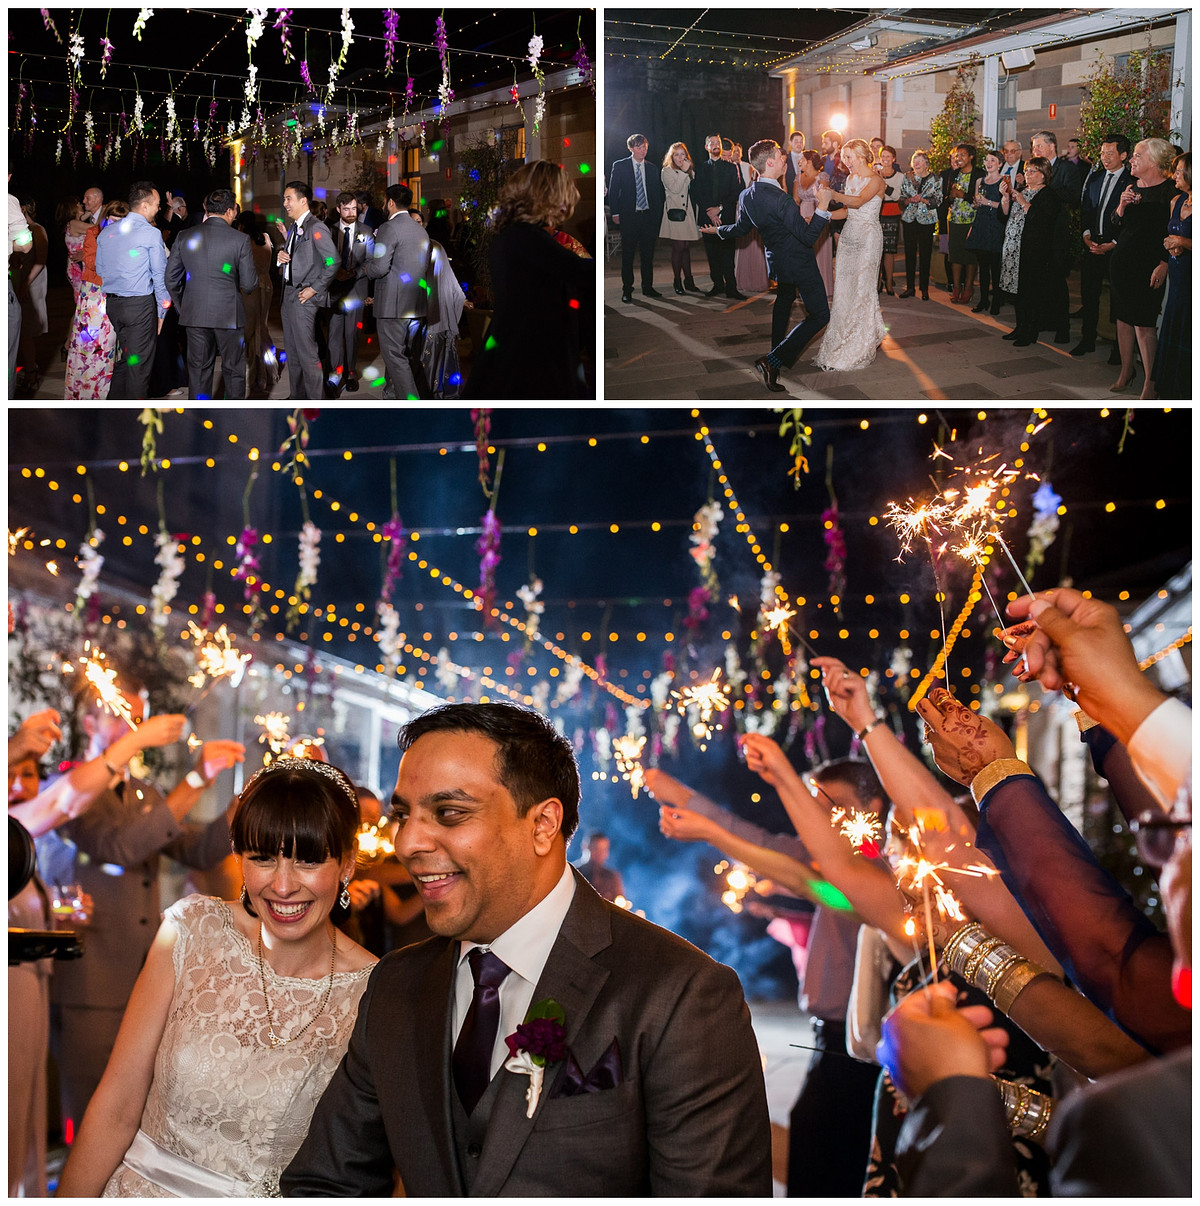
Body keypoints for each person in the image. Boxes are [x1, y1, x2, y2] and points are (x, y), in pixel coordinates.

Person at [281, 702, 772, 1196]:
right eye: (403, 815)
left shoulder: (681, 995)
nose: (407, 842)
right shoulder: (396, 984)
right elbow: (327, 1183)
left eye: (449, 813)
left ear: (542, 825)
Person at [55, 758, 377, 1197]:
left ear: (346, 864)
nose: (282, 887)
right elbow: (116, 1106)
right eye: (262, 858)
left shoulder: (372, 992)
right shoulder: (192, 930)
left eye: (306, 861)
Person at [652, 754, 889, 1197]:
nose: (819, 818)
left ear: (871, 807)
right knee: (812, 1153)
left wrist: (713, 829)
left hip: (865, 1052)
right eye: (813, 805)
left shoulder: (880, 868)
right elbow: (756, 839)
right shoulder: (823, 855)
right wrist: (679, 794)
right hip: (830, 1041)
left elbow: (808, 884)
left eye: (831, 805)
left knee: (834, 1168)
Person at [46, 674, 246, 1137]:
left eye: (135, 717)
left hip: (144, 975)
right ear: (89, 720)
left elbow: (196, 850)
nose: (130, 727)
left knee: (137, 1110)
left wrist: (242, 802)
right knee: (89, 1108)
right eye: (119, 715)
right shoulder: (71, 787)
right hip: (90, 978)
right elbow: (120, 847)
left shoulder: (146, 793)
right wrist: (194, 779)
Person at [700, 139, 833, 393]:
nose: (785, 159)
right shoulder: (780, 199)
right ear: (770, 163)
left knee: (784, 299)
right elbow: (807, 237)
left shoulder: (747, 194)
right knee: (820, 315)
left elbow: (741, 229)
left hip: (777, 262)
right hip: (799, 262)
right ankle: (772, 360)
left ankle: (776, 356)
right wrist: (823, 208)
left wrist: (718, 230)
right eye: (780, 157)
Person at [463, 162, 594, 399]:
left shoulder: (513, 234)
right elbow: (582, 273)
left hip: (518, 347)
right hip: (529, 355)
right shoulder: (527, 237)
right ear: (547, 196)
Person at [164, 188, 257, 399]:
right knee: (234, 370)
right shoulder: (240, 239)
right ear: (231, 211)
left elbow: (170, 278)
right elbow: (250, 284)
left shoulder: (184, 235)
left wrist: (183, 304)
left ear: (208, 209)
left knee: (198, 371)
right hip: (229, 315)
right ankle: (233, 417)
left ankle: (201, 417)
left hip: (194, 313)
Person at [1108, 137, 1174, 397]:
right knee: (1123, 319)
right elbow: (1115, 223)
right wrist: (1122, 206)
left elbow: (1172, 232)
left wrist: (1164, 263)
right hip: (1122, 262)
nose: (1132, 159)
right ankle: (1126, 371)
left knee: (1144, 324)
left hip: (1149, 266)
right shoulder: (1130, 185)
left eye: (1137, 155)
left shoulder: (1171, 191)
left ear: (1154, 162)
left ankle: (1151, 381)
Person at [814, 138, 887, 372]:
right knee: (844, 289)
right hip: (848, 238)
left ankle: (860, 342)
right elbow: (846, 212)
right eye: (844, 158)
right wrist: (821, 215)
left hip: (868, 238)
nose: (846, 162)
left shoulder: (876, 180)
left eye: (850, 157)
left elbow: (859, 201)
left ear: (863, 156)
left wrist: (832, 194)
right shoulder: (850, 178)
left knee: (863, 288)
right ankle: (843, 337)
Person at [94, 180, 170, 399]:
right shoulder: (151, 233)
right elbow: (159, 276)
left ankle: (112, 411)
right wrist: (162, 312)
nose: (159, 208)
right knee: (139, 368)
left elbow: (100, 269)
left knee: (129, 360)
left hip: (114, 306)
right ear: (144, 206)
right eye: (156, 204)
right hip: (139, 307)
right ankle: (133, 422)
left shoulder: (107, 233)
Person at [364, 182, 432, 401]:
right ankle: (392, 396)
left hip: (392, 305)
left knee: (395, 357)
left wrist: (366, 267)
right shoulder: (420, 230)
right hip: (416, 304)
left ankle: (411, 405)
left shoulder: (388, 228)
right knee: (408, 357)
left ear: (390, 202)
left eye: (385, 202)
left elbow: (379, 266)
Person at [276, 179, 337, 400]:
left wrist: (314, 289)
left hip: (304, 297)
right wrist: (282, 257)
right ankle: (297, 396)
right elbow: (299, 259)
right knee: (292, 353)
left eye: (288, 198)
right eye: (284, 199)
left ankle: (316, 404)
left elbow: (333, 262)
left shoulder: (316, 227)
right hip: (289, 295)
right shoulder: (294, 227)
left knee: (308, 354)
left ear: (303, 201)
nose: (285, 204)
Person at [1074, 133, 1133, 357]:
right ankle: (1087, 339)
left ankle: (1120, 349)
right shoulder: (1095, 177)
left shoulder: (1131, 181)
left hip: (1117, 249)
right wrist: (1087, 235)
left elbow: (1130, 220)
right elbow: (1087, 210)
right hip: (1093, 245)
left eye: (1110, 153)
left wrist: (1114, 243)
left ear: (1124, 155)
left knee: (1119, 299)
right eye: (1102, 153)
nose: (1105, 158)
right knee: (1089, 295)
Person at [1006, 156, 1069, 347]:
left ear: (1043, 175)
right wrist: (1005, 199)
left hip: (1036, 251)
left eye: (1032, 171)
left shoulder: (1049, 195)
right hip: (1016, 249)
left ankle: (1030, 331)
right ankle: (1020, 327)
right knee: (1019, 292)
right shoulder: (1024, 191)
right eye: (1026, 171)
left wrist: (1024, 202)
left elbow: (1042, 222)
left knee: (1031, 293)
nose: (1027, 174)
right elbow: (1007, 218)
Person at [71, 199, 125, 400]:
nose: (116, 225)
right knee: (90, 344)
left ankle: (108, 392)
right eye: (112, 220)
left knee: (110, 344)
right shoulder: (94, 233)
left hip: (113, 293)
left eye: (120, 221)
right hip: (94, 294)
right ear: (105, 219)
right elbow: (92, 263)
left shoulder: (124, 237)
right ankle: (87, 392)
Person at [1150, 152, 1190, 400]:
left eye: (1179, 170)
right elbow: (1171, 234)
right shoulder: (1176, 201)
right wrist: (1171, 245)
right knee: (1173, 323)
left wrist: (1183, 242)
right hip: (1177, 273)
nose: (1174, 175)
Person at [326, 191, 374, 395]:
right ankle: (335, 375)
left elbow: (371, 261)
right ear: (338, 209)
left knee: (352, 334)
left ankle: (351, 373)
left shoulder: (367, 231)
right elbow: (323, 258)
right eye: (346, 209)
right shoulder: (329, 230)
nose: (351, 212)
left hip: (356, 288)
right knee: (334, 335)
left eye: (354, 208)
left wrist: (353, 272)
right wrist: (335, 272)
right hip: (335, 289)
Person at [607, 134, 665, 302]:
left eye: (645, 147)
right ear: (631, 148)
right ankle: (627, 289)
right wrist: (615, 213)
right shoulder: (620, 166)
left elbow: (656, 195)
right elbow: (613, 190)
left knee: (648, 255)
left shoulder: (652, 168)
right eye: (639, 147)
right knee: (628, 255)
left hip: (648, 217)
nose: (643, 150)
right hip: (629, 217)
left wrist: (657, 217)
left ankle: (648, 287)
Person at [693, 133, 743, 299]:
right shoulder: (700, 168)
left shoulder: (730, 167)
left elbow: (735, 191)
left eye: (718, 142)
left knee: (728, 254)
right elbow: (696, 192)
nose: (716, 145)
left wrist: (719, 208)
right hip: (707, 218)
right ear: (706, 147)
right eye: (712, 143)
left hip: (726, 216)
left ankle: (731, 288)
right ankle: (717, 285)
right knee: (712, 253)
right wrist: (710, 210)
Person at [233, 210, 276, 395]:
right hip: (267, 285)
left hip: (249, 288)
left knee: (250, 332)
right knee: (262, 328)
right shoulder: (265, 237)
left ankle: (254, 377)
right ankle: (268, 373)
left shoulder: (241, 239)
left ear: (242, 224)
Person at [13, 198, 48, 393]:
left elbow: (41, 260)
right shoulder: (19, 231)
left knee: (26, 330)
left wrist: (25, 283)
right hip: (19, 279)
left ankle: (31, 371)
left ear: (23, 209)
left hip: (32, 281)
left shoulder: (37, 230)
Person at [965, 150, 1006, 314]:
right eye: (987, 160)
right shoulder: (979, 181)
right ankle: (983, 301)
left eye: (993, 160)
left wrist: (988, 202)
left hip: (995, 225)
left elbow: (1005, 207)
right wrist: (976, 203)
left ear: (1000, 164)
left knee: (995, 267)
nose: (989, 163)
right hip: (981, 224)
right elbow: (976, 204)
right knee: (982, 266)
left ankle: (996, 301)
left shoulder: (1004, 181)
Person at [659, 141, 702, 294]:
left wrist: (687, 172)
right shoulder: (667, 171)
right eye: (676, 154)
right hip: (675, 214)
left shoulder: (689, 171)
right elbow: (676, 189)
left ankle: (689, 280)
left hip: (688, 213)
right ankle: (677, 281)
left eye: (682, 154)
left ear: (686, 156)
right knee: (678, 247)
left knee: (686, 247)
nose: (679, 157)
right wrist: (684, 172)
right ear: (672, 156)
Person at [898, 149, 941, 300]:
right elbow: (901, 198)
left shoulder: (935, 179)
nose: (916, 163)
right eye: (915, 160)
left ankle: (924, 288)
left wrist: (923, 200)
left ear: (926, 164)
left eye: (920, 160)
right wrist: (909, 200)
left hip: (927, 220)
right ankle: (910, 287)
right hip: (909, 219)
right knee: (909, 254)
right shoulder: (907, 177)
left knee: (925, 254)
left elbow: (938, 200)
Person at [944, 143, 983, 305]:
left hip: (972, 219)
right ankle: (956, 287)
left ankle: (968, 288)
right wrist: (951, 196)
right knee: (955, 255)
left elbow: (979, 198)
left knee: (970, 256)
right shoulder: (954, 174)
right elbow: (947, 196)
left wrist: (963, 195)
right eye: (956, 155)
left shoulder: (979, 174)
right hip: (954, 219)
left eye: (962, 155)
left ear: (971, 157)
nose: (958, 158)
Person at [793, 150, 834, 301]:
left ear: (809, 161)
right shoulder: (798, 177)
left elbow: (825, 199)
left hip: (818, 214)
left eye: (801, 159)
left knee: (819, 253)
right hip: (802, 215)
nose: (799, 162)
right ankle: (803, 289)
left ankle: (821, 289)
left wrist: (816, 217)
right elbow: (796, 200)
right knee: (803, 254)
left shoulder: (822, 177)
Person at [732, 143, 770, 296]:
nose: (736, 153)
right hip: (742, 208)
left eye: (738, 151)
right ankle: (744, 278)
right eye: (734, 151)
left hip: (756, 209)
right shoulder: (730, 167)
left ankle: (759, 279)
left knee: (757, 245)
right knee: (745, 243)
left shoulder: (749, 168)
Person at [1031, 129, 1083, 215]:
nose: (1035, 151)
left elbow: (1073, 196)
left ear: (1051, 146)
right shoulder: (1031, 170)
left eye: (1039, 146)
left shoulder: (1068, 168)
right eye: (1034, 147)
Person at [876, 146, 904, 295]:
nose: (885, 159)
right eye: (883, 156)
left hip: (892, 214)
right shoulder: (875, 174)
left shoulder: (900, 176)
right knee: (877, 250)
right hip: (877, 213)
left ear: (894, 159)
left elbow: (897, 196)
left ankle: (889, 283)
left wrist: (884, 185)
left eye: (888, 156)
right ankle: (878, 282)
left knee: (889, 251)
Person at [573, 830, 625, 902]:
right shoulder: (573, 873)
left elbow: (619, 902)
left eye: (603, 850)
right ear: (585, 847)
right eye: (596, 848)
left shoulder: (612, 877)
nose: (600, 853)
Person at [783, 130, 807, 197]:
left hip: (806, 195)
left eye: (801, 141)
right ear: (790, 142)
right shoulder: (785, 159)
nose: (799, 144)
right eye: (796, 141)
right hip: (789, 194)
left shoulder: (808, 158)